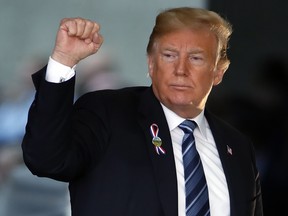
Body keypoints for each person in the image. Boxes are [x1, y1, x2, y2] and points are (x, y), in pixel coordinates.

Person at [21, 7, 263, 216]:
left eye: (196, 58)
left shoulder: (238, 147)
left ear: (218, 72)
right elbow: (46, 159)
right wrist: (63, 60)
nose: (180, 69)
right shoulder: (108, 113)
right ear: (151, 63)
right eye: (169, 55)